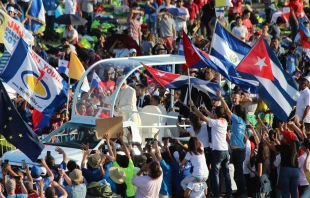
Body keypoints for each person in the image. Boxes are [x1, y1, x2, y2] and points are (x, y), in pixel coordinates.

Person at [189, 99, 232, 197]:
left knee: (215, 174)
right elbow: (212, 117)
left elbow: (202, 117)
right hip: (225, 151)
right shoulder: (224, 121)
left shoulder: (215, 123)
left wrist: (193, 106)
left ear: (216, 114)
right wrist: (205, 110)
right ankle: (229, 194)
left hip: (218, 151)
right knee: (226, 173)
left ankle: (216, 195)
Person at [218, 91, 247, 197]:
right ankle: (237, 190)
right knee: (236, 171)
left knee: (239, 172)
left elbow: (227, 110)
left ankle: (242, 191)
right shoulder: (240, 121)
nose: (232, 113)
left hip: (239, 151)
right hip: (236, 150)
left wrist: (220, 97)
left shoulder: (238, 120)